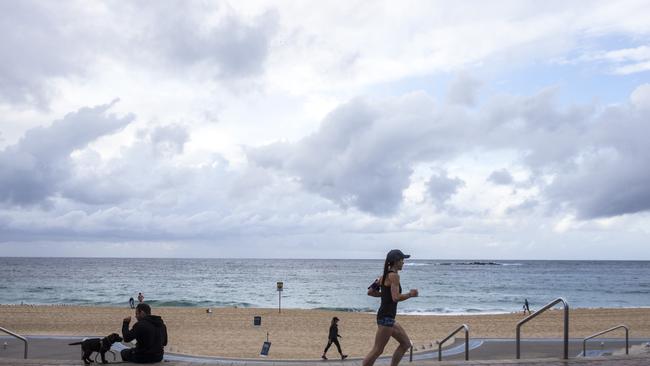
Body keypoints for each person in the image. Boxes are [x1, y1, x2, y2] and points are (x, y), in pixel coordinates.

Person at [363, 249, 418, 366]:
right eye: (402, 260)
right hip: (385, 318)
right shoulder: (394, 276)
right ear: (396, 261)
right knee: (377, 350)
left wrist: (383, 293)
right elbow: (396, 298)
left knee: (406, 344)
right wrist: (410, 294)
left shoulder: (384, 276)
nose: (403, 263)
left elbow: (370, 291)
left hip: (388, 318)